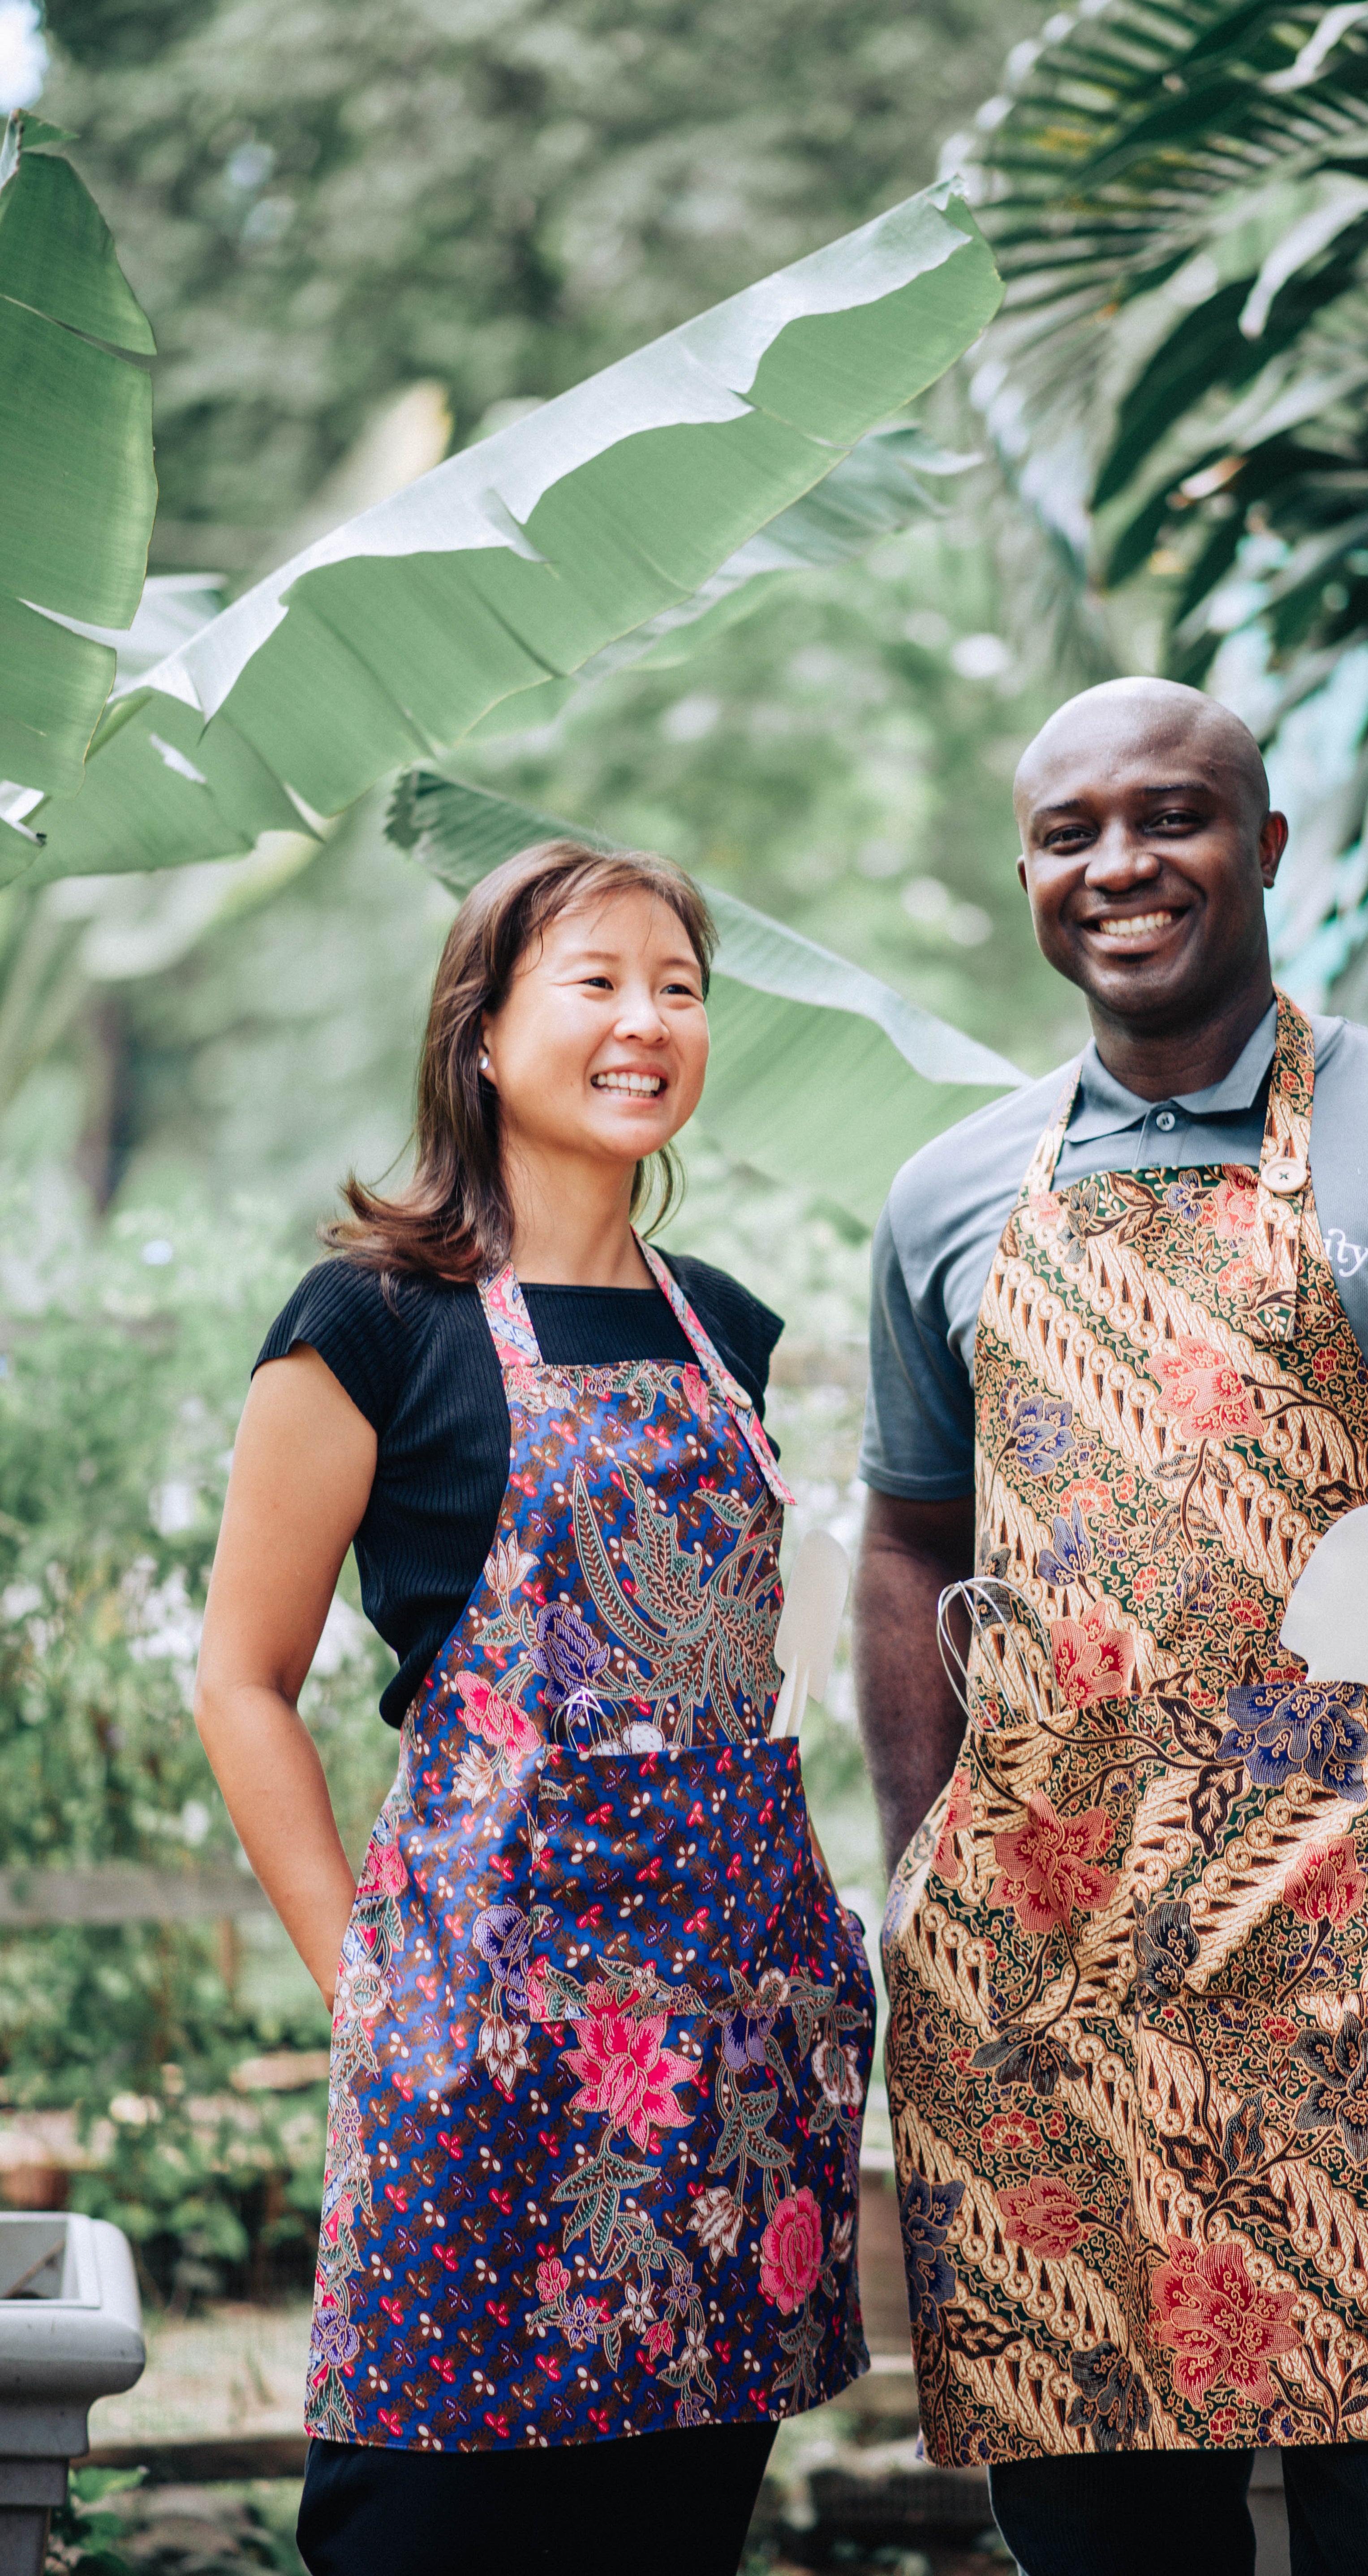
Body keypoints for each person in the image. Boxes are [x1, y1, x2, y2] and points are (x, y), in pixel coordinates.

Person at [853, 679, 1368, 2576]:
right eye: (1072, 832)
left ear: (1267, 847)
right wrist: (931, 1865)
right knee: (1104, 2542)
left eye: (1174, 817)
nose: (1122, 865)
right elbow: (910, 1539)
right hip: (1059, 2000)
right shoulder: (949, 1197)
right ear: (1027, 874)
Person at [195, 840, 874, 2576]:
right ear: (483, 1031)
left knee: (667, 2529)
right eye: (598, 981)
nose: (647, 1020)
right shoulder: (371, 1323)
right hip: (481, 2068)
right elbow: (244, 1678)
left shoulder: (725, 1326)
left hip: (728, 2063)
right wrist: (368, 1983)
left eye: (682, 988)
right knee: (427, 2520)